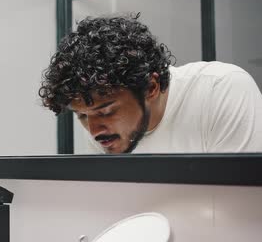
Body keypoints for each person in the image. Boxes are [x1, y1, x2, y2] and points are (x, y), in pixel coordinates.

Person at [39, 14, 262, 154]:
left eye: (106, 110)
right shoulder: (105, 132)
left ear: (151, 87)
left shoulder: (220, 89)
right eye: (82, 116)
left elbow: (243, 206)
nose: (94, 130)